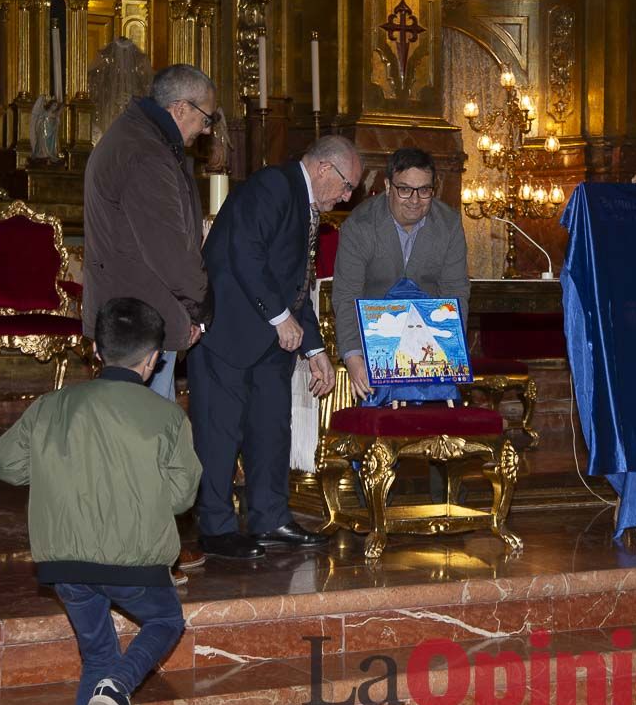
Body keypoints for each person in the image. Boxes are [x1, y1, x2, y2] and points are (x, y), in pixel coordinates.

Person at [0, 298, 202, 705]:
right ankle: (118, 687)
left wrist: (54, 470)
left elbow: (5, 463)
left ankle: (107, 688)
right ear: (153, 361)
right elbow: (182, 497)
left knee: (99, 656)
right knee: (164, 619)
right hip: (135, 561)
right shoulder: (166, 416)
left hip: (64, 563)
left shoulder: (49, 405)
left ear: (98, 352)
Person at [188, 135, 361, 559]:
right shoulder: (272, 185)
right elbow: (244, 252)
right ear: (324, 168)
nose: (346, 196)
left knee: (271, 429)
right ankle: (215, 527)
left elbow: (297, 284)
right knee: (219, 433)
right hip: (227, 334)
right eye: (345, 186)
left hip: (269, 339)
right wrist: (279, 318)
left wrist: (315, 349)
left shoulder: (304, 203)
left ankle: (270, 518)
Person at [83, 63, 216, 404]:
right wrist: (199, 309)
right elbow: (169, 252)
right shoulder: (146, 152)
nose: (206, 131)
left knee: (138, 426)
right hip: (141, 319)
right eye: (206, 119)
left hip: (132, 313)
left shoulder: (137, 137)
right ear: (181, 108)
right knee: (147, 430)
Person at [332, 147, 471, 402]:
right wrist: (353, 358)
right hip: (374, 348)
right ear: (387, 186)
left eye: (425, 190)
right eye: (405, 189)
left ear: (434, 188)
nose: (415, 200)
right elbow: (346, 295)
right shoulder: (360, 225)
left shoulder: (449, 225)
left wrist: (449, 354)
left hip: (431, 350)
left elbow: (456, 293)